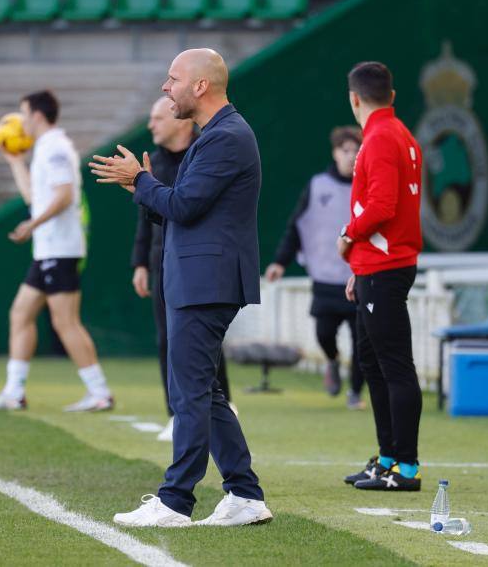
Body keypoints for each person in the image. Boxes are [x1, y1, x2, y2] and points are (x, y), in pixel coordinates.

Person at [91, 48, 272, 527]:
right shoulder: (217, 135)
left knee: (189, 391)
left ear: (200, 86)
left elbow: (187, 206)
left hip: (206, 280)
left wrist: (142, 180)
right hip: (199, 277)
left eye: (172, 79)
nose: (164, 88)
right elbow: (181, 206)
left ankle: (176, 500)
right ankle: (245, 495)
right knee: (203, 391)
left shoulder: (226, 136)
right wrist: (143, 188)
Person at [0, 90, 114, 413]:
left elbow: (65, 196)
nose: (21, 120)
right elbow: (35, 197)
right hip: (48, 249)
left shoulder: (56, 147)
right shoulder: (43, 148)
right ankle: (14, 391)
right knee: (20, 313)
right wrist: (14, 162)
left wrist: (32, 224)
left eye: (24, 112)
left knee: (65, 321)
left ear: (38, 115)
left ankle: (99, 392)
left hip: (61, 248)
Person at [337, 62, 424, 492]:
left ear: (354, 98)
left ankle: (405, 467)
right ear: (391, 95)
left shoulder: (379, 139)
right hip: (376, 266)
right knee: (373, 361)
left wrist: (347, 235)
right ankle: (388, 457)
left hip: (385, 266)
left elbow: (383, 205)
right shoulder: (400, 134)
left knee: (394, 366)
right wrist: (359, 265)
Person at [131, 96, 234, 442]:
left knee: (205, 341)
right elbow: (146, 219)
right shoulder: (155, 163)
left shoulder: (205, 153)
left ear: (179, 120)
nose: (151, 125)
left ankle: (223, 406)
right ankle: (175, 413)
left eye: (157, 117)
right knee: (168, 339)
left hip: (199, 260)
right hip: (164, 259)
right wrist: (140, 263)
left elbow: (188, 207)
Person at [265, 126, 365, 408]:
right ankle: (332, 361)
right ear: (335, 153)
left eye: (357, 150)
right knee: (324, 333)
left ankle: (355, 393)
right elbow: (296, 226)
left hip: (358, 277)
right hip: (324, 277)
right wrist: (280, 262)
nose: (351, 156)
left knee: (362, 341)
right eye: (346, 150)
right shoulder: (318, 185)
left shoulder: (369, 186)